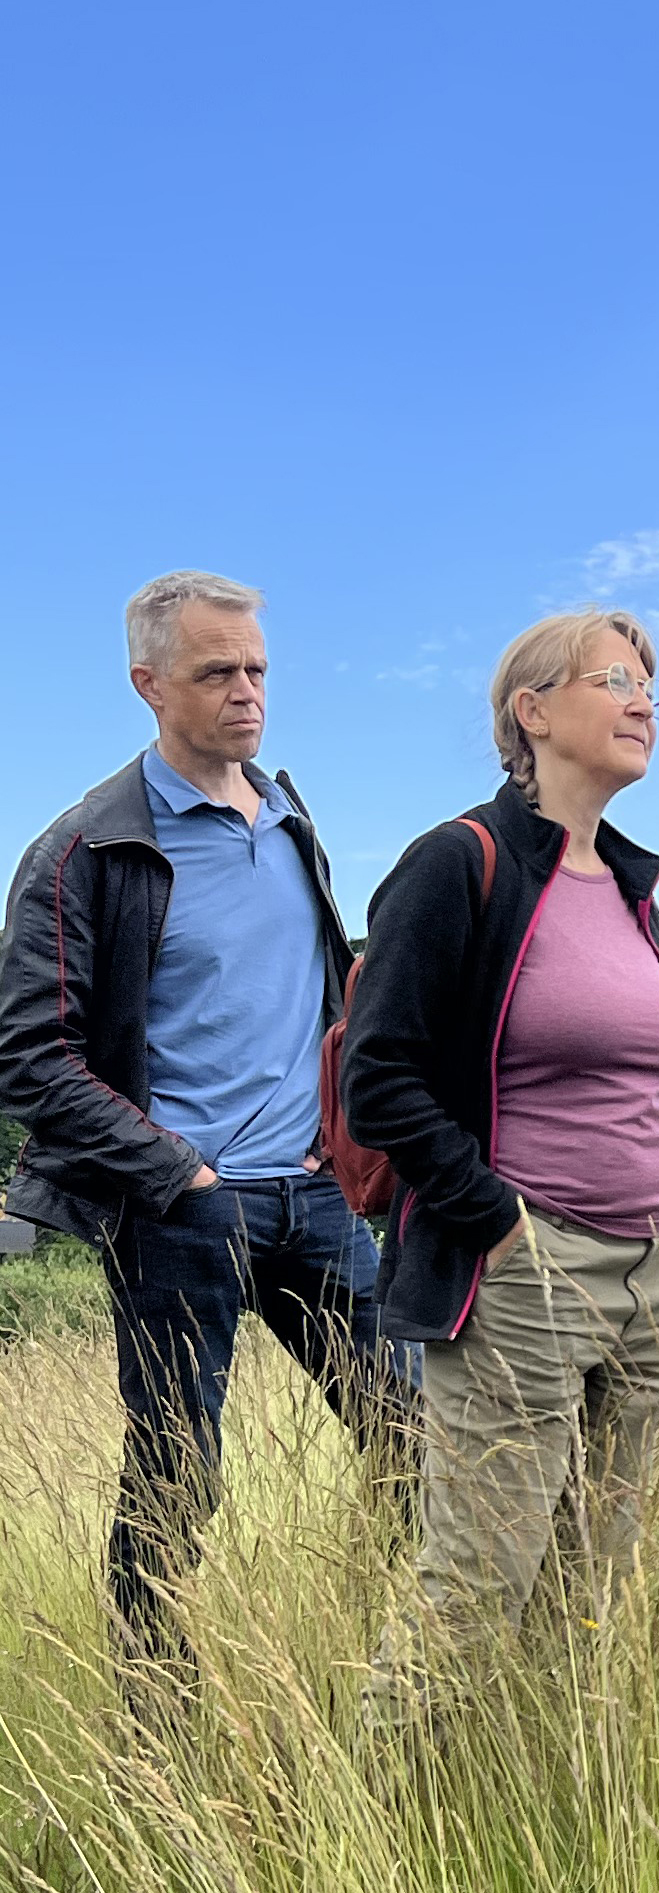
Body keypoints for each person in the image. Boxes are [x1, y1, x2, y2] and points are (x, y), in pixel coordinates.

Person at [0, 570, 413, 1720]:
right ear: (148, 684)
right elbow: (30, 1059)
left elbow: (328, 1006)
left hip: (320, 1202)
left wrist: (349, 1144)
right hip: (187, 1212)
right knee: (178, 1480)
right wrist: (176, 1171)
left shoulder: (291, 824)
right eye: (216, 671)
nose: (247, 692)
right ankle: (158, 1735)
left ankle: (396, 1687)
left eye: (258, 669)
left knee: (418, 1439)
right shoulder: (85, 850)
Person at [345, 609, 659, 1722]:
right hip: (525, 1272)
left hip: (657, 1273)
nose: (644, 701)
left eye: (653, 686)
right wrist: (499, 1224)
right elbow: (380, 1078)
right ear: (533, 713)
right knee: (473, 1587)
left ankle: (533, 1820)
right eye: (616, 680)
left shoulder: (635, 889)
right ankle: (372, 1845)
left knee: (586, 1593)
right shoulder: (461, 863)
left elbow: (647, 1085)